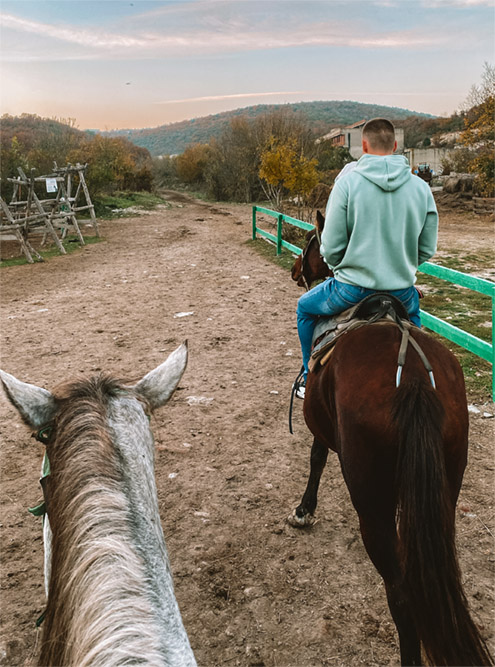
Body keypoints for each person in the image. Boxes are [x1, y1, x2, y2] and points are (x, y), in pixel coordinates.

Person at [295, 118, 438, 399]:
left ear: (363, 146)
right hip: (402, 292)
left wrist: (341, 267)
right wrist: (402, 266)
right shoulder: (421, 189)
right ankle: (424, 376)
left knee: (304, 309)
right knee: (417, 333)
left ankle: (306, 374)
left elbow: (332, 247)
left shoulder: (347, 184)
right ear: (396, 145)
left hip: (351, 289)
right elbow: (426, 249)